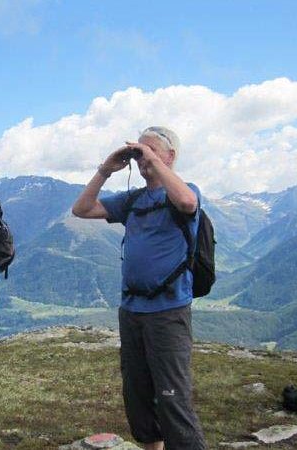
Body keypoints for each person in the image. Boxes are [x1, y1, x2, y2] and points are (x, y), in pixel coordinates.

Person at [72, 126, 207, 450]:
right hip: (131, 310)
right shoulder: (132, 200)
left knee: (173, 396)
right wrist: (106, 170)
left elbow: (187, 203)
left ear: (170, 156)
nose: (142, 158)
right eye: (138, 152)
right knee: (138, 395)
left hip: (168, 310)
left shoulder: (184, 192)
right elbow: (82, 209)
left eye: (150, 150)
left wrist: (152, 160)